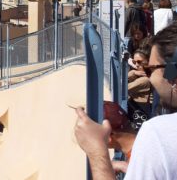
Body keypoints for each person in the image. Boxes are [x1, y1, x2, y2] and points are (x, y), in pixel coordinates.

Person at [75, 23, 177, 179]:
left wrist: (96, 152)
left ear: (172, 73)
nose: (148, 75)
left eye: (150, 69)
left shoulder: (158, 134)